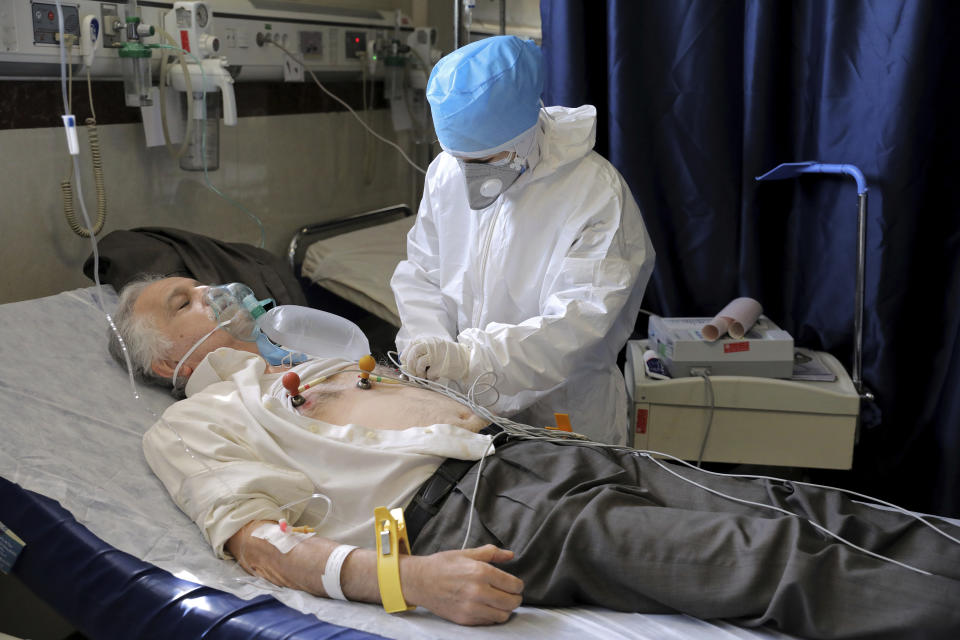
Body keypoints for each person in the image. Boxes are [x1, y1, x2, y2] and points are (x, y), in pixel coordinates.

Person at [111, 276, 960, 639]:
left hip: (528, 452)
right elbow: (261, 544)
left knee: (792, 505)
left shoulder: (307, 364)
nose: (215, 295)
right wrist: (409, 580)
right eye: (185, 300)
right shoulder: (193, 423)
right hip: (467, 508)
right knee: (761, 556)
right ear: (161, 360)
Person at [390, 36, 656, 446]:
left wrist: (473, 359)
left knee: (566, 504)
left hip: (562, 410)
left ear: (529, 127)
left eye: (487, 160)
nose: (470, 175)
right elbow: (424, 271)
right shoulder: (445, 172)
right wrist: (430, 346)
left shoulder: (594, 192)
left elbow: (578, 323)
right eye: (462, 160)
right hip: (463, 401)